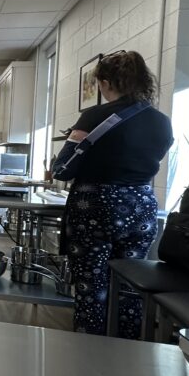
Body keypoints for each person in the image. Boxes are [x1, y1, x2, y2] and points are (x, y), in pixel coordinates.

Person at [62, 51, 173, 337]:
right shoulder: (162, 122)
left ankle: (89, 353)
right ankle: (128, 352)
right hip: (142, 208)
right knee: (131, 286)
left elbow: (62, 168)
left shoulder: (95, 116)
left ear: (107, 82)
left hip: (96, 207)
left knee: (92, 286)